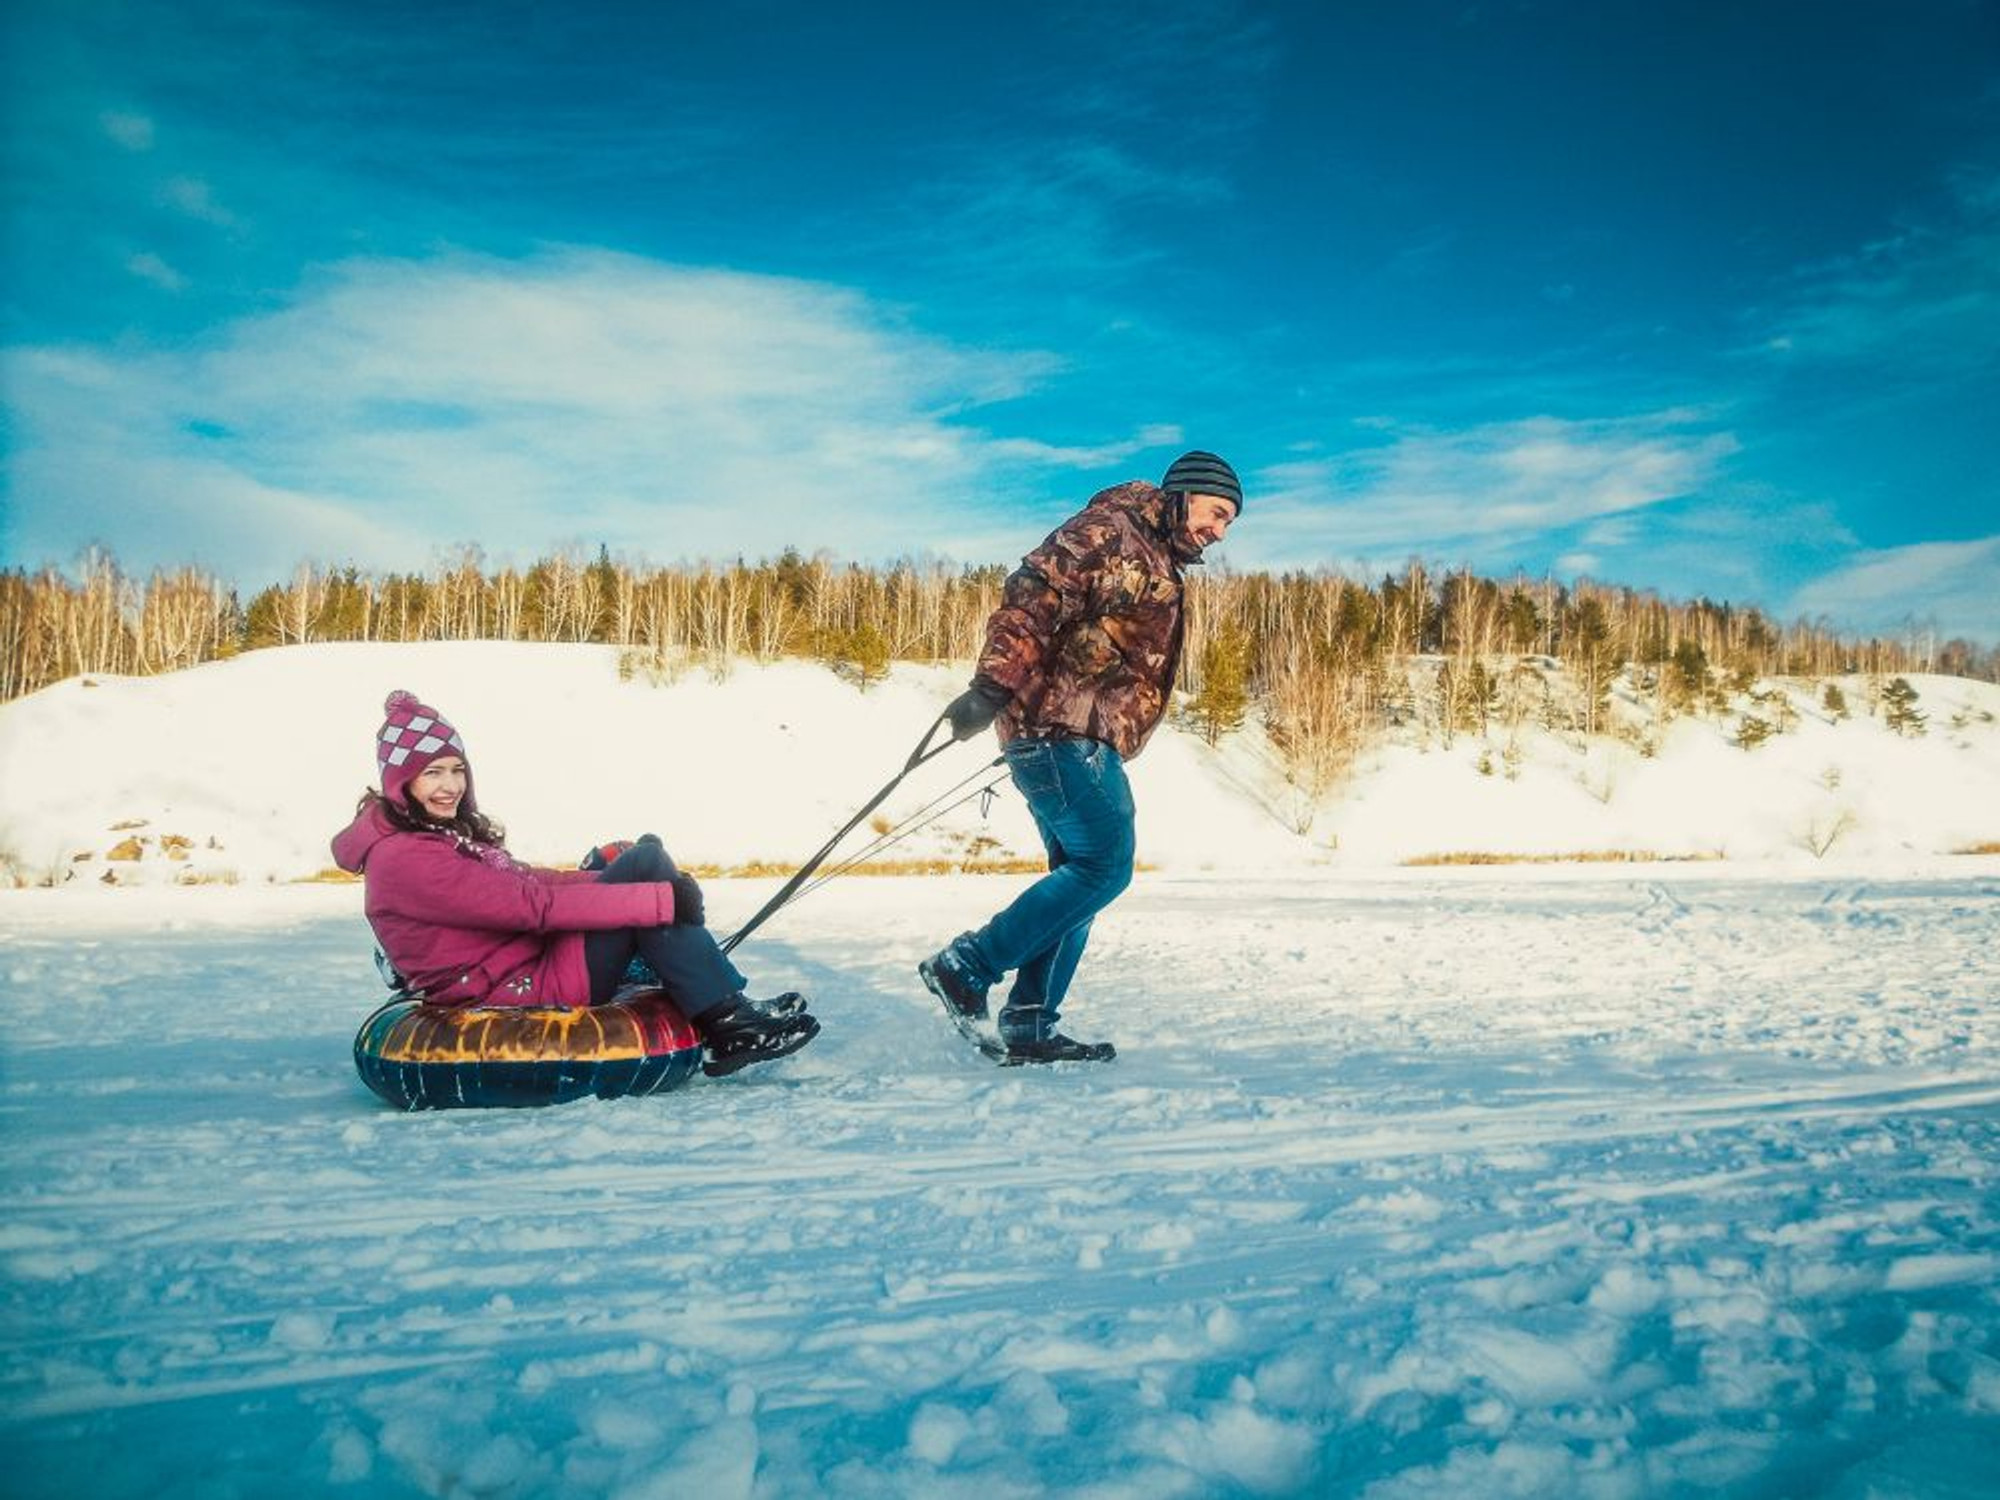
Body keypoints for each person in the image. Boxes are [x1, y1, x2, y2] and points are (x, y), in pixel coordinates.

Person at [919, 450, 1243, 1063]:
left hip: (1084, 732)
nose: (1219, 531)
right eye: (1218, 513)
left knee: (1080, 878)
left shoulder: (1159, 557)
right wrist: (992, 685)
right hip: (1057, 725)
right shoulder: (1111, 530)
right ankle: (968, 964)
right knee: (1104, 867)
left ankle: (1030, 1021)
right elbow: (1033, 597)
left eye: (1229, 524)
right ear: (1185, 493)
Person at [331, 690, 819, 1077]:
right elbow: (533, 906)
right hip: (516, 989)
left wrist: (613, 878)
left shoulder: (433, 837)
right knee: (647, 867)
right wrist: (661, 898)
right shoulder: (406, 859)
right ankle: (728, 1022)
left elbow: (534, 880)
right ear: (402, 784)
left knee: (640, 857)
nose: (450, 786)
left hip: (529, 963)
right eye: (433, 773)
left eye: (457, 771)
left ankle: (726, 1007)